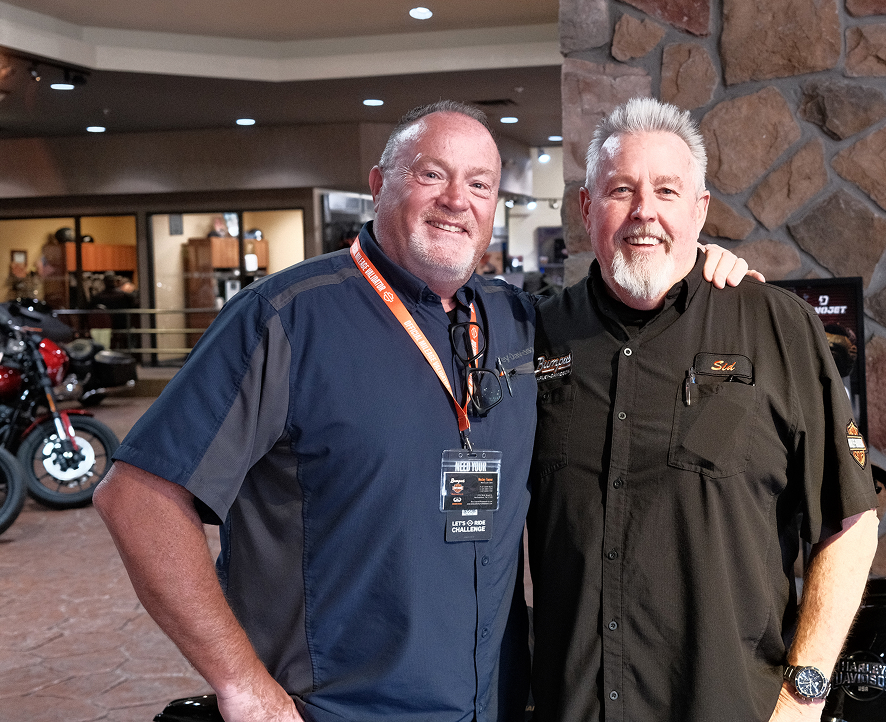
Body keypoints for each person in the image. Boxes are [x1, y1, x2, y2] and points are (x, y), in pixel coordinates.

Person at [93, 100, 751, 722]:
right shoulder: (288, 317)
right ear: (380, 183)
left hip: (494, 704)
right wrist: (240, 682)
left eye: (479, 183)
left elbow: (624, 308)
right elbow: (137, 499)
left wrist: (700, 270)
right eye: (431, 174)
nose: (455, 200)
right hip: (335, 708)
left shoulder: (519, 320)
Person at [526, 97, 879, 722]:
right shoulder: (537, 335)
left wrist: (804, 696)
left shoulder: (775, 326)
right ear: (585, 208)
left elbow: (849, 523)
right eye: (620, 190)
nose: (645, 212)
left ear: (701, 209)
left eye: (667, 190)